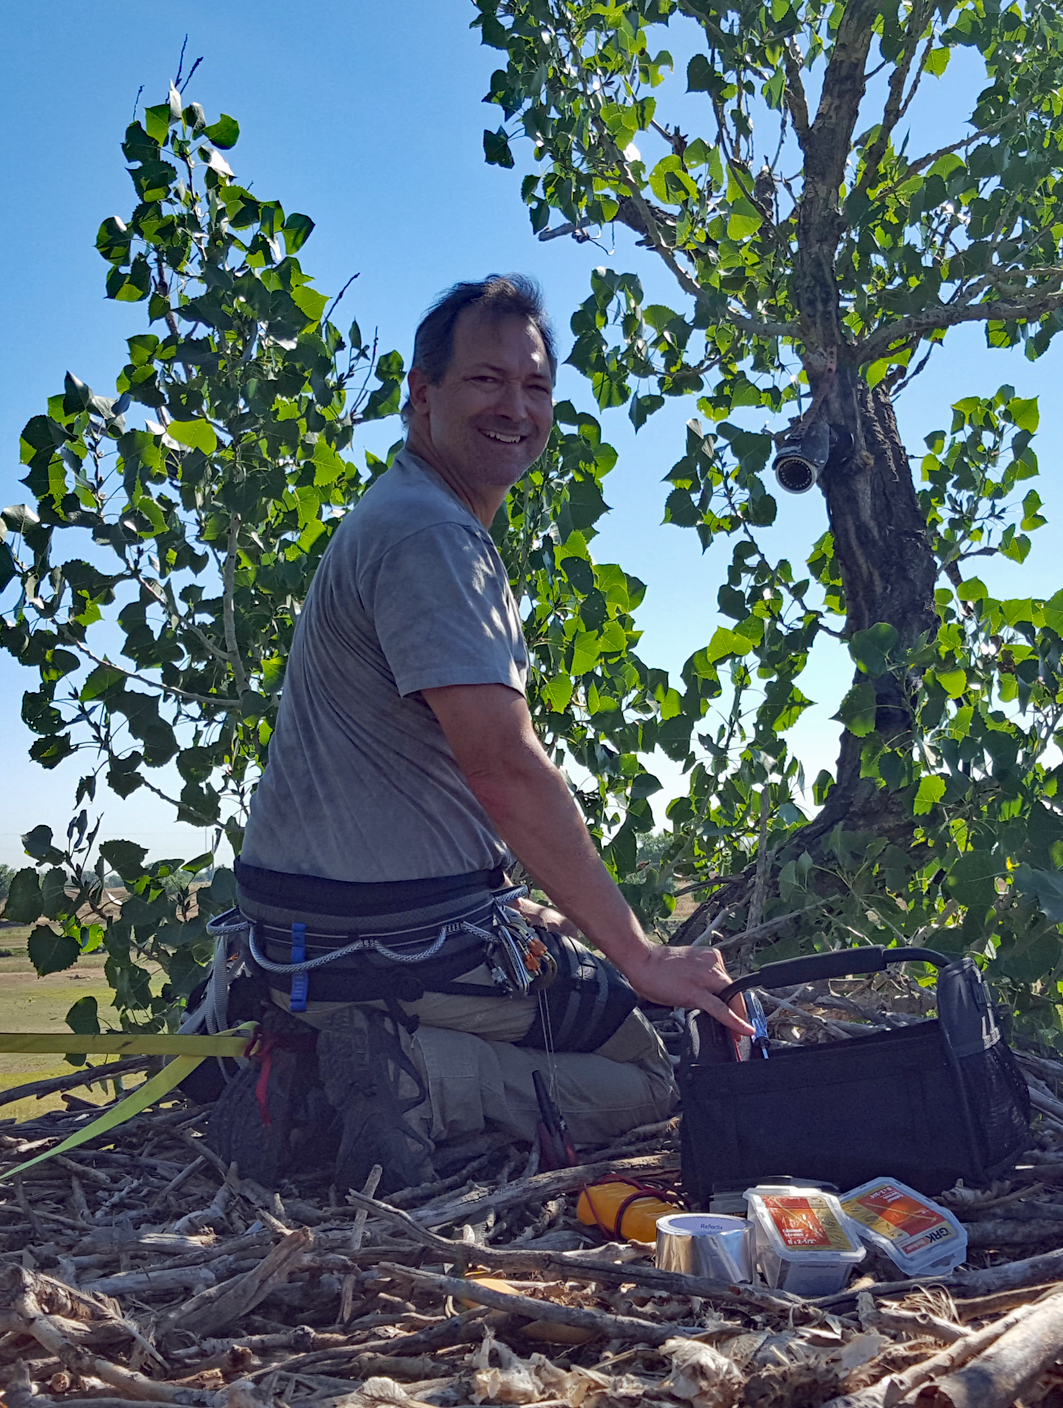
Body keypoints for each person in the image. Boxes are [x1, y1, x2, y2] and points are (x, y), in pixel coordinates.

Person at [213, 274, 749, 1195]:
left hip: (303, 936)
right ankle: (414, 1081)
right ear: (421, 393)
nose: (516, 407)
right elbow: (503, 770)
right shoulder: (431, 537)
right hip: (382, 946)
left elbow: (427, 787)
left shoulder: (398, 515)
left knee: (581, 970)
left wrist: (512, 899)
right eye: (485, 381)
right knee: (652, 1061)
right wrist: (637, 952)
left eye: (536, 386)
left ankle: (311, 1067)